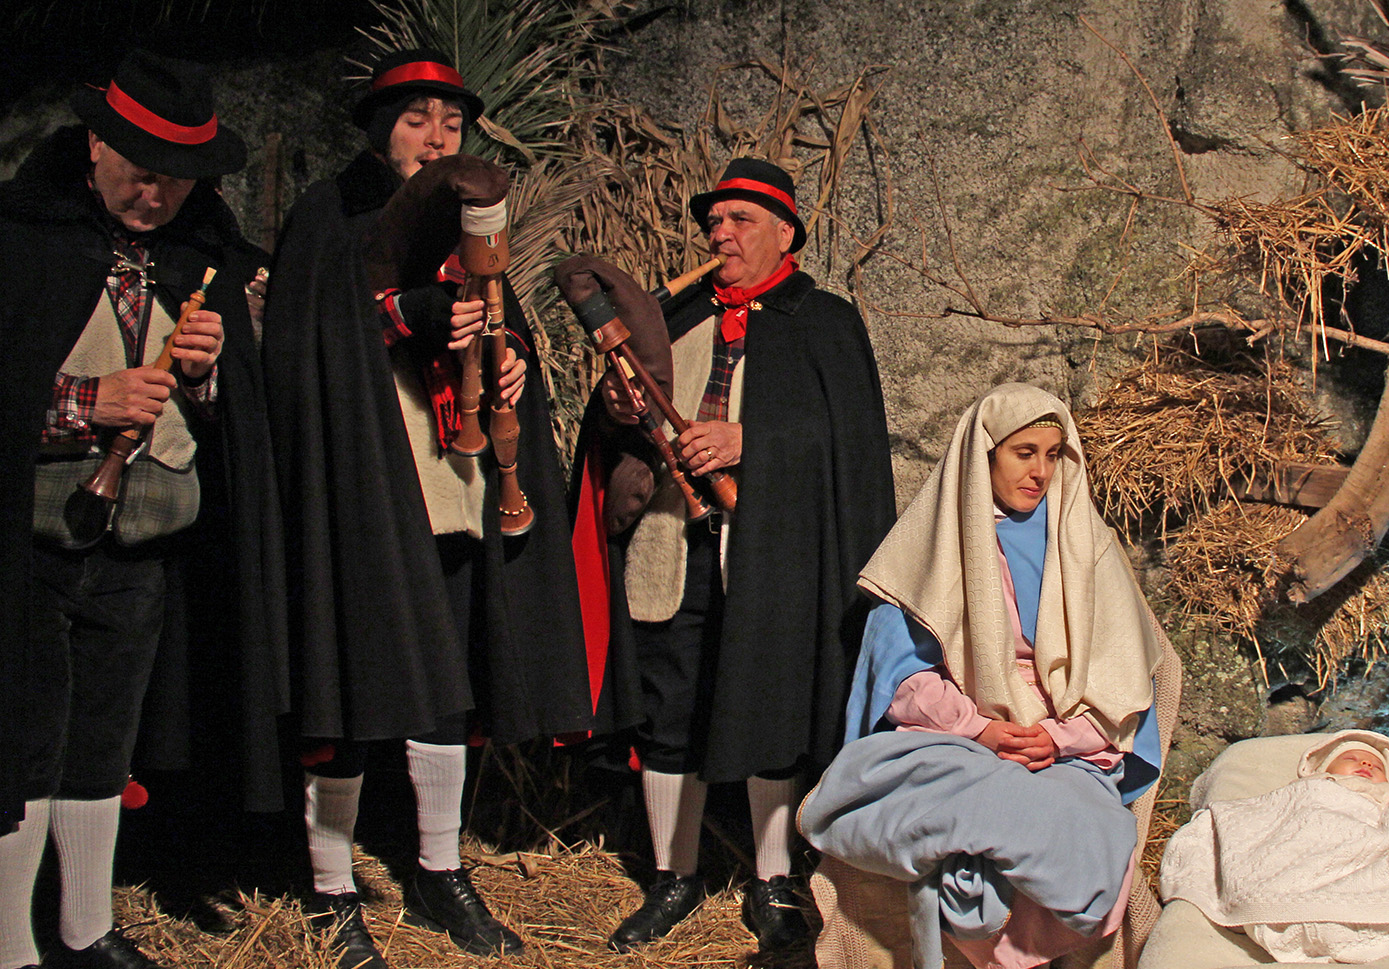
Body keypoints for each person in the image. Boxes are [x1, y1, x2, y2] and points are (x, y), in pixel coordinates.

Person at [262, 49, 591, 969]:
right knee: (357, 678)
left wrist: (515, 359)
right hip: (366, 486)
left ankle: (441, 870)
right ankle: (332, 885)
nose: (438, 138)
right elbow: (306, 348)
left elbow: (501, 321)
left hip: (458, 481)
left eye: (452, 124)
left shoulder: (466, 222)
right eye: (418, 120)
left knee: (446, 682)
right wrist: (404, 312)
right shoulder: (327, 214)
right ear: (378, 126)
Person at [0, 50, 273, 969]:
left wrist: (200, 380)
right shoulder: (24, 239)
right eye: (140, 174)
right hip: (34, 541)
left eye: (176, 183)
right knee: (24, 746)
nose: (155, 198)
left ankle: (84, 928)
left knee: (103, 745)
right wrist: (86, 404)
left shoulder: (201, 253)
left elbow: (222, 416)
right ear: (94, 143)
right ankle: (11, 945)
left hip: (147, 547)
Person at [584, 156, 895, 953]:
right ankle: (672, 874)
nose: (720, 234)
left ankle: (772, 876)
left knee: (769, 699)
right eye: (713, 222)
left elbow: (849, 443)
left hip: (772, 547)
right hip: (669, 539)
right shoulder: (672, 314)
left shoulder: (822, 320)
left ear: (785, 232)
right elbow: (616, 425)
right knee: (667, 702)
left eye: (740, 220)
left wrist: (748, 441)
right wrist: (619, 409)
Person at [800, 382, 1164, 969]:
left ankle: (988, 912)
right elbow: (902, 680)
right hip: (962, 739)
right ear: (984, 453)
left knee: (1068, 827)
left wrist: (1056, 737)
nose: (1041, 471)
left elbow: (1121, 686)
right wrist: (982, 730)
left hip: (1064, 749)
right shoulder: (932, 545)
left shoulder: (1086, 545)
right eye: (1025, 453)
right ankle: (975, 909)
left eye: (1054, 454)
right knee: (974, 798)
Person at [1158, 729, 1389, 965]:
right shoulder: (1305, 791)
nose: (1365, 765)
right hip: (1300, 853)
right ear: (1322, 768)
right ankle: (1292, 902)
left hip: (1368, 852)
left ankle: (1349, 904)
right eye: (1353, 759)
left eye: (1375, 765)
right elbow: (1260, 821)